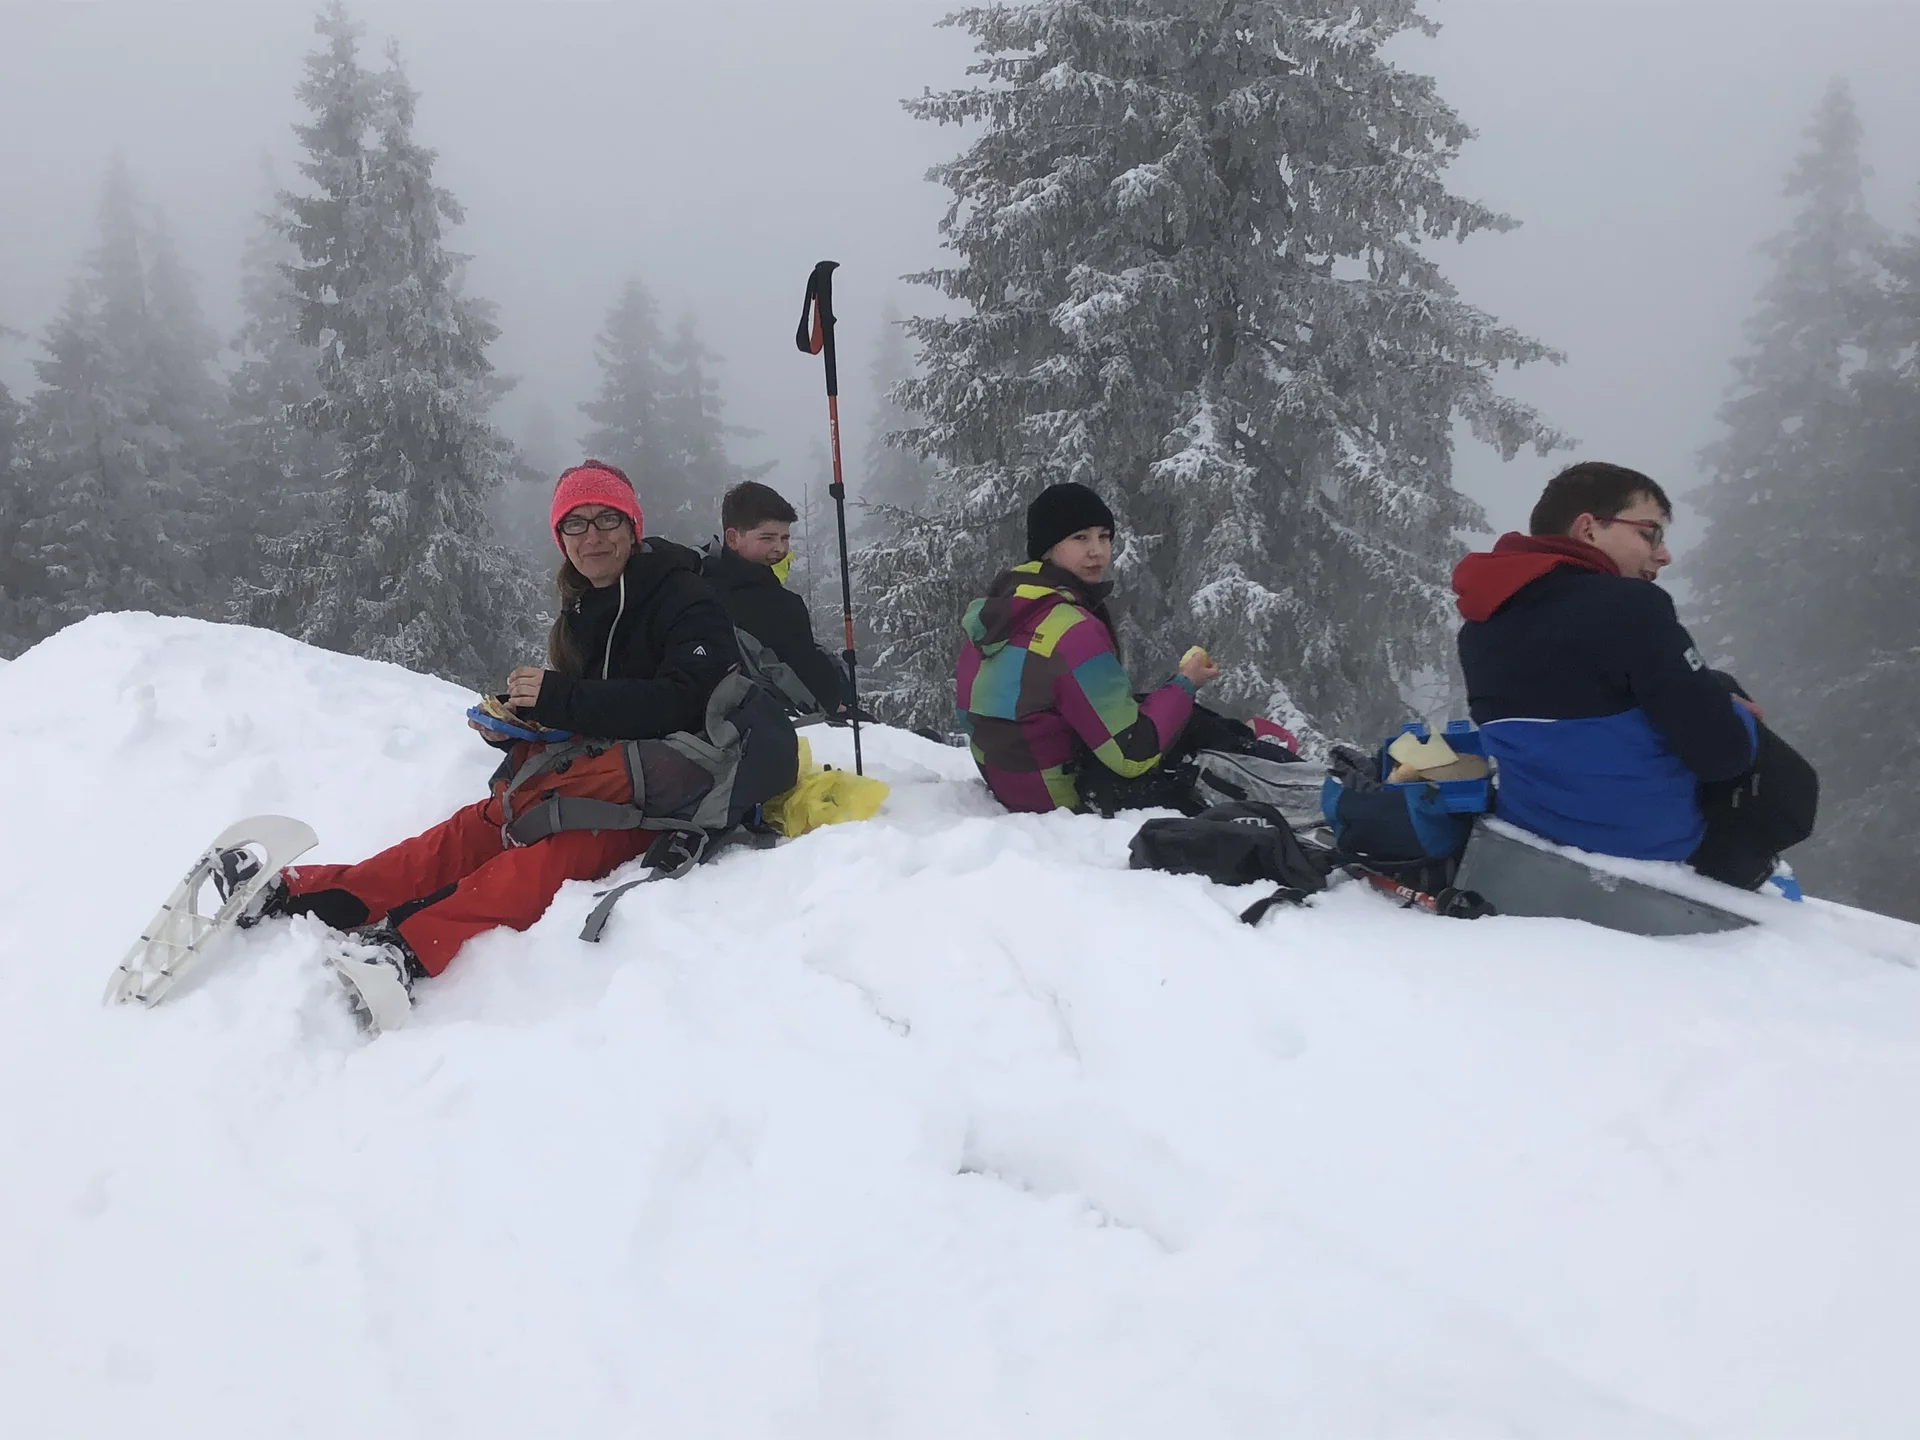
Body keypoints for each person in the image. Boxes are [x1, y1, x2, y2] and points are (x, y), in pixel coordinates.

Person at [250, 461, 742, 1031]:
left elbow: (686, 702)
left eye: (607, 519)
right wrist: (521, 725)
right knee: (474, 827)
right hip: (594, 771)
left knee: (546, 859)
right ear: (561, 539)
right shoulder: (584, 608)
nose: (593, 536)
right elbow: (588, 713)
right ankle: (323, 897)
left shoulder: (685, 598)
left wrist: (564, 699)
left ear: (633, 526)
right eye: (575, 525)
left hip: (664, 795)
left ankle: (408, 947)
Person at [1452, 460, 1816, 889]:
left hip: (1538, 825)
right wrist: (1728, 711)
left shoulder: (1479, 626)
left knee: (1712, 687)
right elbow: (1723, 756)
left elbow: (1580, 706)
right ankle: (1734, 886)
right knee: (1791, 786)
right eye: (1649, 533)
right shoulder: (1632, 607)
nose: (1663, 554)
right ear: (1588, 530)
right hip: (1649, 844)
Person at [955, 481, 1219, 813]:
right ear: (1047, 547)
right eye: (1080, 538)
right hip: (1061, 800)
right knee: (1189, 726)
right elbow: (1131, 754)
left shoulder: (997, 611)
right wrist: (1186, 683)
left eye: (1104, 536)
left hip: (1008, 783)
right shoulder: (1071, 628)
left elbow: (970, 716)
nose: (1097, 550)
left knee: (1152, 707)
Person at [699, 480, 849, 717]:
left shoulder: (700, 580)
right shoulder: (783, 606)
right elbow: (810, 676)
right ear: (733, 538)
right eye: (767, 538)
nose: (779, 548)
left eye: (785, 538)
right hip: (785, 719)